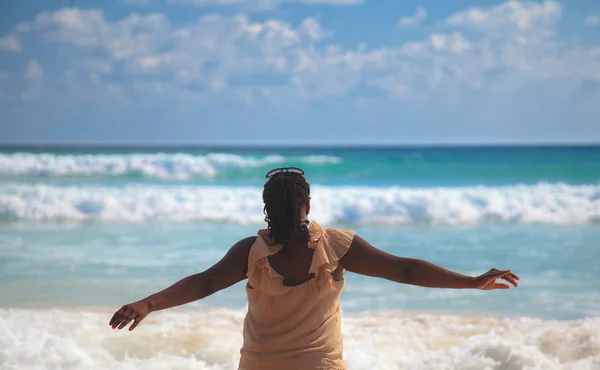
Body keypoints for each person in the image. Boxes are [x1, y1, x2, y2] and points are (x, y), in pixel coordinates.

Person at [109, 167, 519, 370]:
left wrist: (147, 304)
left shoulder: (250, 252)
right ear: (308, 205)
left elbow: (202, 284)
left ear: (267, 208)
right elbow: (405, 270)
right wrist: (470, 281)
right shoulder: (337, 247)